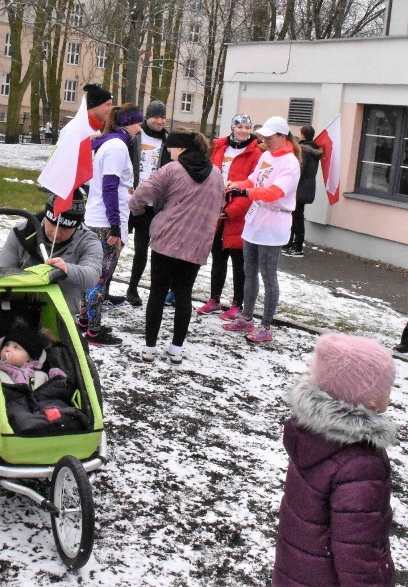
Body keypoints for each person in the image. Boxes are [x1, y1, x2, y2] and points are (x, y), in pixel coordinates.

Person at [273, 333, 396, 585]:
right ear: (370, 402)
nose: (391, 397)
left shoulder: (311, 434)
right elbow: (358, 550)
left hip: (296, 570)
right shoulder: (362, 463)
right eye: (387, 389)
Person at [128, 129, 224, 364]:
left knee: (157, 294)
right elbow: (219, 205)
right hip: (197, 244)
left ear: (180, 148)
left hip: (167, 242)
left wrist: (139, 214)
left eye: (170, 147)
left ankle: (149, 348)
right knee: (184, 296)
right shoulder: (216, 174)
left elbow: (139, 195)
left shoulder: (172, 170)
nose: (168, 151)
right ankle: (176, 349)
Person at [223, 116, 301, 343]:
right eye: (263, 136)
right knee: (249, 270)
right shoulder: (266, 156)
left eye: (269, 136)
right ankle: (247, 317)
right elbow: (253, 180)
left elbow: (275, 193)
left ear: (282, 136)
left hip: (274, 224)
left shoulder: (290, 163)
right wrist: (236, 185)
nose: (264, 140)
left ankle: (266, 325)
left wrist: (246, 193)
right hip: (255, 220)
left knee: (268, 276)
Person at [77, 104, 143, 347]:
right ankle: (94, 332)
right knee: (101, 278)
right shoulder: (116, 147)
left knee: (94, 276)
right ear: (128, 123)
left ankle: (85, 320)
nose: (140, 127)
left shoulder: (110, 142)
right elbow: (109, 187)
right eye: (138, 122)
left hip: (98, 220)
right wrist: (115, 227)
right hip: (105, 224)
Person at [0, 188, 102, 316]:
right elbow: (1, 273)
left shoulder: (88, 240)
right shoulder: (22, 232)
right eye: (52, 224)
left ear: (77, 225)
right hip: (16, 311)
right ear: (46, 217)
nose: (56, 233)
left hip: (61, 316)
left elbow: (92, 274)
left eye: (65, 228)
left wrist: (66, 270)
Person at [196, 114, 261, 321]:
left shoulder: (256, 154)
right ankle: (214, 299)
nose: (243, 130)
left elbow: (253, 187)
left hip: (238, 216)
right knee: (218, 259)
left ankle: (236, 304)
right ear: (232, 128)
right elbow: (210, 176)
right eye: (239, 126)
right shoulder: (219, 148)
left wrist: (231, 211)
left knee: (239, 263)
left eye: (247, 127)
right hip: (216, 212)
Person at [111, 99, 171, 308]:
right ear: (147, 117)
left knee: (142, 249)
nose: (160, 120)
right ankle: (106, 285)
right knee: (116, 244)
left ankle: (133, 287)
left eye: (163, 116)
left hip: (151, 205)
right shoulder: (134, 136)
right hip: (128, 200)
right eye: (156, 116)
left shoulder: (167, 141)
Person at [283, 125, 323, 258]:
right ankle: (291, 243)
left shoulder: (303, 150)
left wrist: (289, 183)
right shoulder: (315, 150)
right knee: (296, 216)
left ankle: (297, 246)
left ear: (303, 135)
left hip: (299, 189)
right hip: (307, 188)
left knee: (297, 217)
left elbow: (299, 170)